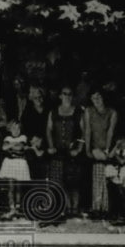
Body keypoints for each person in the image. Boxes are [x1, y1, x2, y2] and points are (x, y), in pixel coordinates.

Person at [46, 86, 85, 219]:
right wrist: (51, 146)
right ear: (60, 96)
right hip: (58, 151)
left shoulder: (78, 111)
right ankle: (66, 208)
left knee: (73, 181)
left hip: (72, 152)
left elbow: (84, 132)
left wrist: (79, 149)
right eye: (65, 94)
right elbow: (48, 130)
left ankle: (75, 209)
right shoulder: (53, 111)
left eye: (70, 94)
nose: (67, 96)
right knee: (59, 181)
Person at [83, 90, 117, 219]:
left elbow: (110, 131)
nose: (96, 100)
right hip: (94, 148)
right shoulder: (89, 111)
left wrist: (107, 150)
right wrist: (87, 149)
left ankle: (106, 208)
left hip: (108, 148)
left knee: (107, 177)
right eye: (93, 97)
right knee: (97, 176)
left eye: (99, 97)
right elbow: (88, 130)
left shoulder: (112, 112)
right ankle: (97, 207)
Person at [0, 119, 30, 219]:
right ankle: (12, 208)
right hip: (10, 163)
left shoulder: (23, 137)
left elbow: (20, 147)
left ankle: (18, 208)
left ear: (21, 129)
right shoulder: (7, 137)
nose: (16, 130)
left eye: (18, 128)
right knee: (11, 187)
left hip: (20, 163)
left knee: (18, 187)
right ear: (10, 129)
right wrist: (13, 144)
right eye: (13, 128)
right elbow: (3, 147)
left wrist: (10, 145)